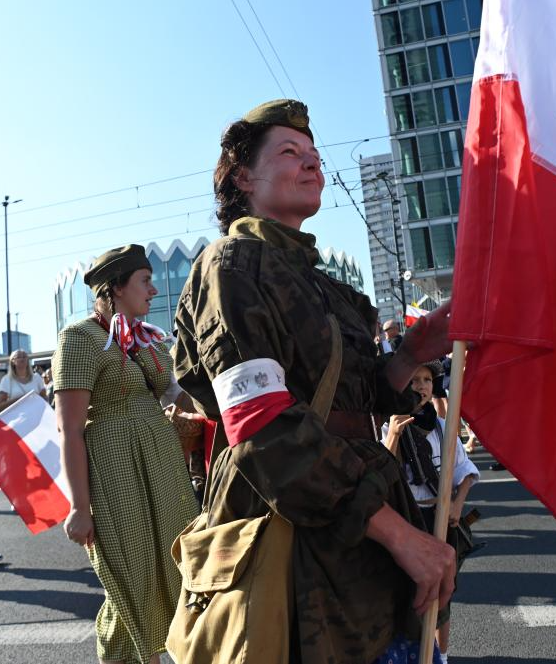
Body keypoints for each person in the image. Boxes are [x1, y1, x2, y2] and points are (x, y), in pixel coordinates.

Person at [173, 99, 455, 663]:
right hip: (295, 531)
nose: (312, 164)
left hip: (361, 524)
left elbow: (358, 401)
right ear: (242, 178)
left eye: (315, 156)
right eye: (289, 152)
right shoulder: (231, 265)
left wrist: (412, 353)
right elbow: (262, 425)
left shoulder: (329, 287)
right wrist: (400, 536)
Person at [53, 244, 198, 664]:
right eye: (145, 281)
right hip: (116, 471)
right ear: (116, 287)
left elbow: (180, 396)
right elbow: (70, 430)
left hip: (162, 468)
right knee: (130, 578)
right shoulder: (79, 339)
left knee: (174, 568)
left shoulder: (146, 339)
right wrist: (79, 507)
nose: (153, 291)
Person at [383, 361, 481, 664]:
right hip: (405, 522)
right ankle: (413, 653)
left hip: (437, 520)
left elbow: (465, 471)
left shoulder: (441, 426)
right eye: (414, 381)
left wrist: (456, 503)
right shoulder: (389, 425)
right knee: (408, 595)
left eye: (426, 380)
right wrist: (394, 436)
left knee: (440, 597)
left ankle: (443, 656)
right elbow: (380, 475)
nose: (422, 386)